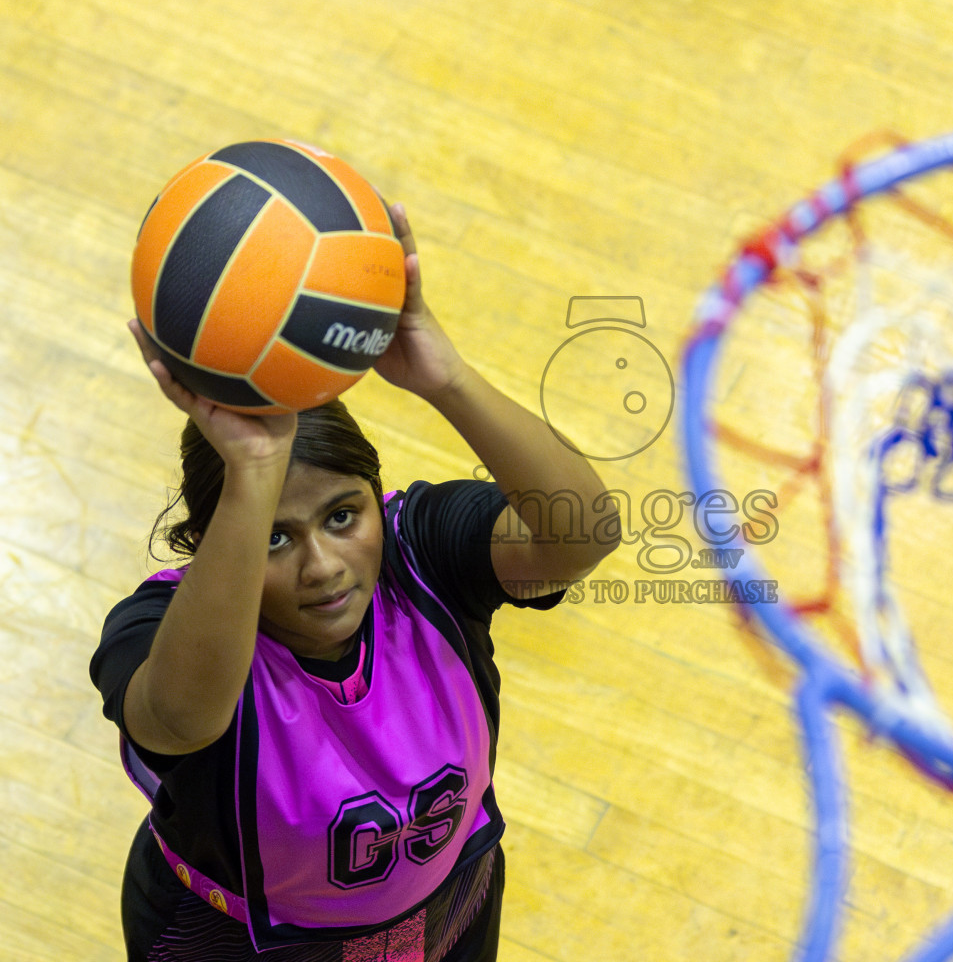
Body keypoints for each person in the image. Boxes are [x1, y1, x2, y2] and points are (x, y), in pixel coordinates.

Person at [91, 203, 619, 961]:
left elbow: (584, 535)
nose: (323, 566)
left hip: (448, 912)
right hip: (231, 942)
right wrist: (251, 469)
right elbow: (179, 720)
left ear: (378, 498)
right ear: (215, 541)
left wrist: (448, 378)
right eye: (275, 535)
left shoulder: (423, 553)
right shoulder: (159, 627)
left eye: (343, 517)